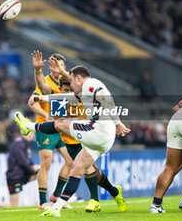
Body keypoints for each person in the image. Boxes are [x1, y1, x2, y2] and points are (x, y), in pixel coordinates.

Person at [15, 65, 130, 217]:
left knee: (60, 124)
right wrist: (42, 98)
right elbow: (65, 98)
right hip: (101, 137)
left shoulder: (91, 84)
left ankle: (28, 126)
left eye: (72, 82)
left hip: (98, 131)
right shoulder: (83, 92)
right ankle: (57, 208)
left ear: (78, 78)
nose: (71, 85)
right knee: (77, 169)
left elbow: (107, 100)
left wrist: (118, 123)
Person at [50, 75, 126, 213]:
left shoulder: (82, 96)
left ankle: (94, 200)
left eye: (70, 90)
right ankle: (115, 192)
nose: (68, 93)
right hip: (71, 141)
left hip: (88, 136)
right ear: (60, 89)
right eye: (65, 90)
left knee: (87, 168)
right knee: (95, 172)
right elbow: (58, 122)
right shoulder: (60, 102)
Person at [29, 51, 73, 209]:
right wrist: (45, 114)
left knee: (71, 161)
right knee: (46, 162)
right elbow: (32, 101)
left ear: (64, 67)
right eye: (54, 65)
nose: (57, 68)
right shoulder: (46, 81)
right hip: (46, 127)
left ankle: (56, 195)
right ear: (49, 67)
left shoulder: (67, 81)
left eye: (60, 65)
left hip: (63, 127)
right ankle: (42, 202)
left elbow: (79, 84)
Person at [0, 130, 39, 210]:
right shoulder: (19, 143)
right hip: (14, 177)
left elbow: (28, 160)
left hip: (21, 175)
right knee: (14, 206)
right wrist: (33, 170)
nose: (31, 135)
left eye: (32, 133)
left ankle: (40, 200)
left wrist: (34, 167)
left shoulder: (26, 144)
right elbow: (23, 161)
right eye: (28, 133)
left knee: (40, 174)